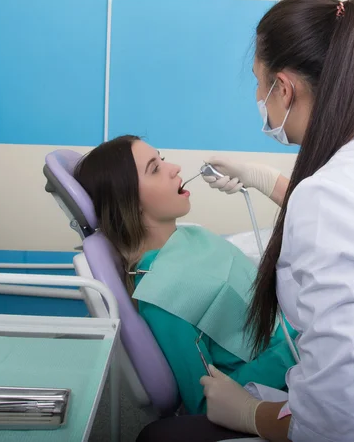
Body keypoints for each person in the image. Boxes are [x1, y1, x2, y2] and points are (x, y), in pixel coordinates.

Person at [141, 0, 354, 442]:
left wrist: (250, 413)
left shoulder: (329, 198)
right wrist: (262, 179)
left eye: (260, 83)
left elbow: (329, 424)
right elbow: (352, 221)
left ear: (284, 88)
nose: (259, 97)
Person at [73, 135, 298, 416]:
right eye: (155, 169)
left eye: (162, 160)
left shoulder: (191, 235)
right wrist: (295, 352)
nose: (175, 168)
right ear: (129, 201)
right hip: (288, 375)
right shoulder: (162, 297)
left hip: (301, 338)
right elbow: (204, 400)